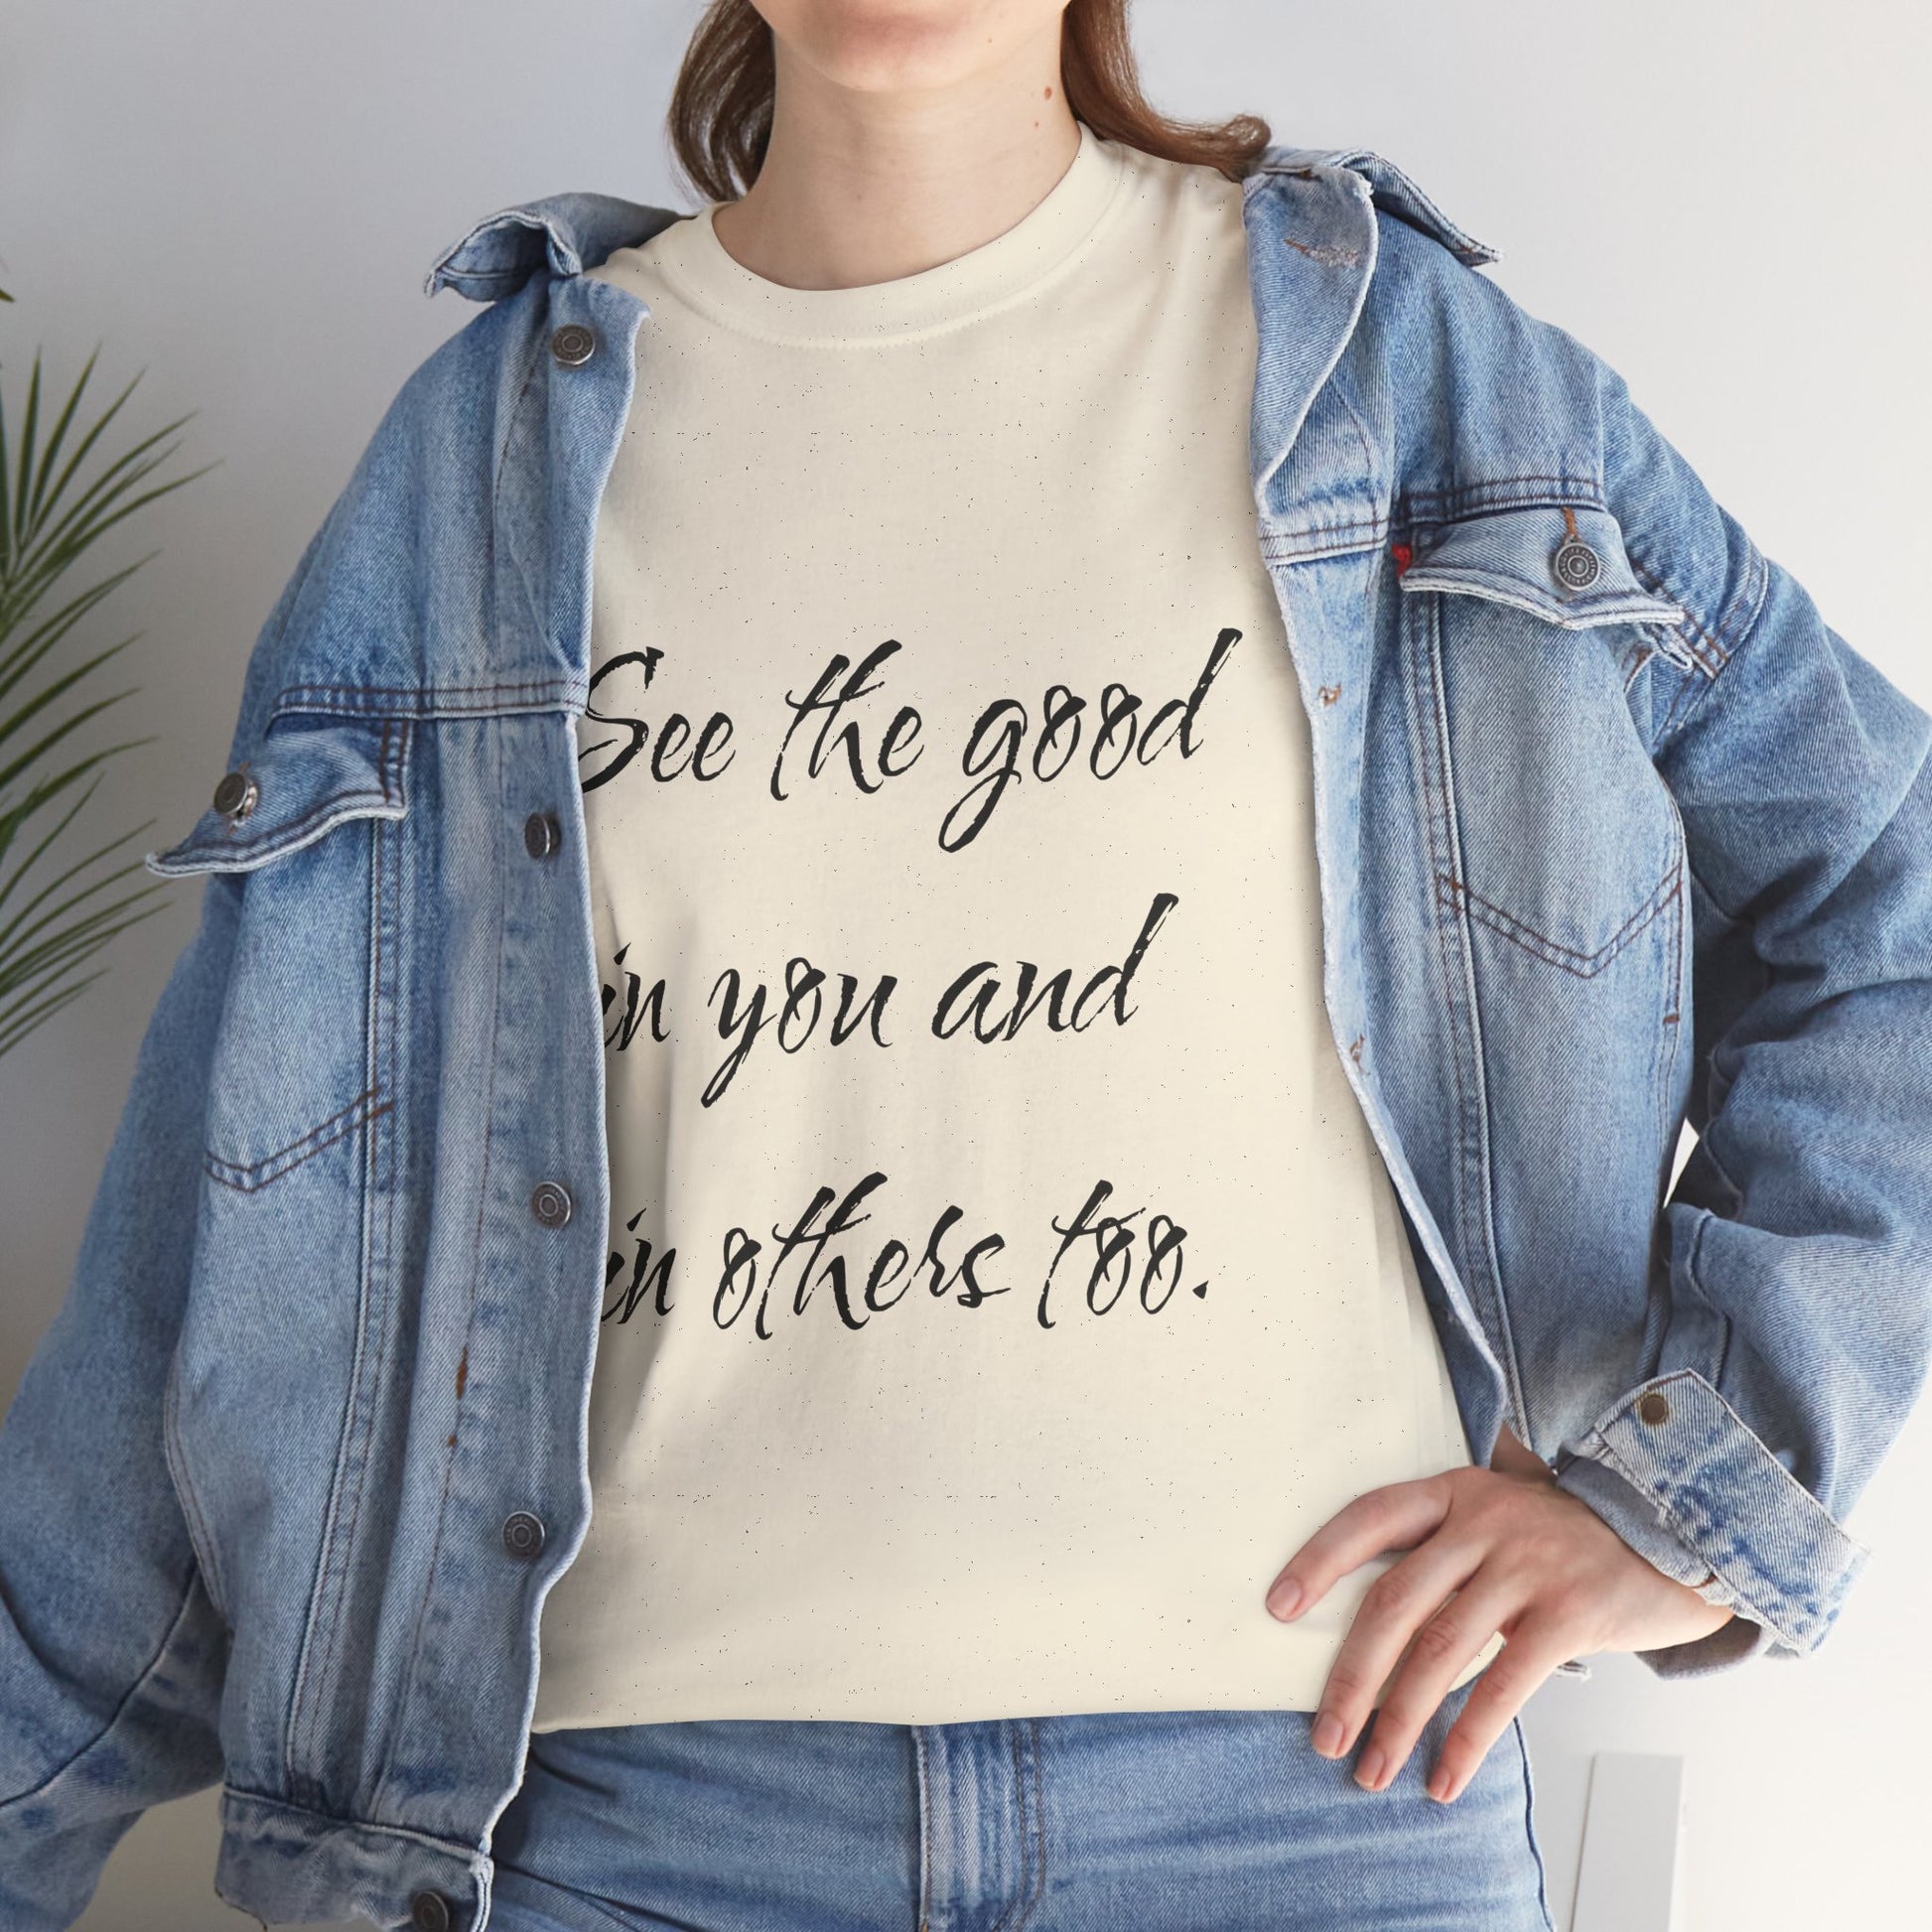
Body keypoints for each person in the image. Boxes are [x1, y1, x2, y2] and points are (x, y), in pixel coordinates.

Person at [3, 3, 1928, 1929]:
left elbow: (1883, 898)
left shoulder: (1410, 382)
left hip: (1312, 1804)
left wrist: (1700, 1501)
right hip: (625, 1832)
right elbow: (224, 1253)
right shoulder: (475, 465)